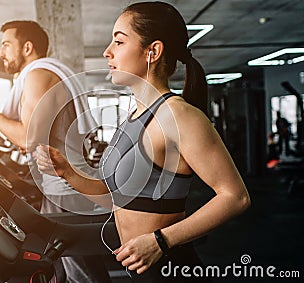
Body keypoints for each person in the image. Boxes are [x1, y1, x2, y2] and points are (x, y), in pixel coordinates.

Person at [34, 2, 250, 282]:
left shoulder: (178, 115)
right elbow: (115, 198)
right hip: (140, 269)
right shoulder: (134, 116)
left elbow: (235, 197)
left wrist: (160, 241)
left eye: (119, 41)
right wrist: (66, 172)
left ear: (153, 52)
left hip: (169, 268)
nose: (107, 52)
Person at [0, 20, 110, 283]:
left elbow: (27, 138)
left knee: (82, 273)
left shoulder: (38, 75)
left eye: (6, 45)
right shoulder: (38, 75)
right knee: (64, 269)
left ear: (27, 47)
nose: (1, 53)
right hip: (60, 186)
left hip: (66, 190)